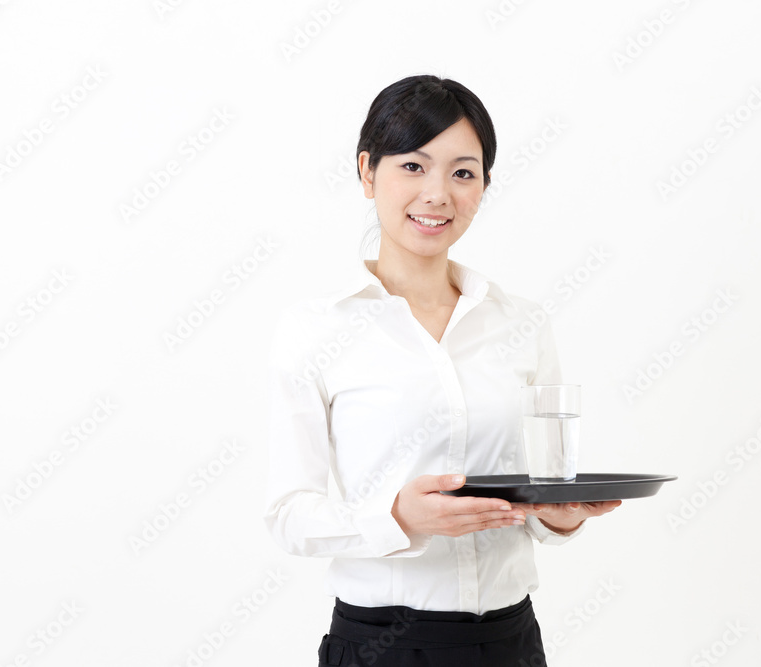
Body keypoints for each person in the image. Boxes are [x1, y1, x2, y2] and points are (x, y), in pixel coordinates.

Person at [264, 74, 621, 667]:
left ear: (482, 186)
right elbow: (288, 515)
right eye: (412, 165)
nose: (437, 194)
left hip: (510, 642)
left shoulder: (521, 323)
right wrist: (398, 519)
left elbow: (540, 491)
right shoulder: (315, 331)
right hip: (384, 645)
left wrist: (561, 515)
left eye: (463, 172)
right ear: (366, 171)